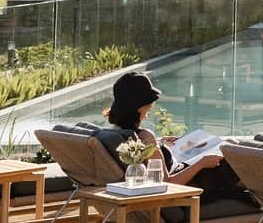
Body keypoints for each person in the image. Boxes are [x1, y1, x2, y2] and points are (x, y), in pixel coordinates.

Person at [105, 71, 249, 203]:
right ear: (139, 105)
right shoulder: (145, 136)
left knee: (229, 144)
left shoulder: (117, 132)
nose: (152, 104)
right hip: (190, 183)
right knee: (231, 153)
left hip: (182, 169)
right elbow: (167, 183)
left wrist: (161, 143)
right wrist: (202, 163)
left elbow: (150, 160)